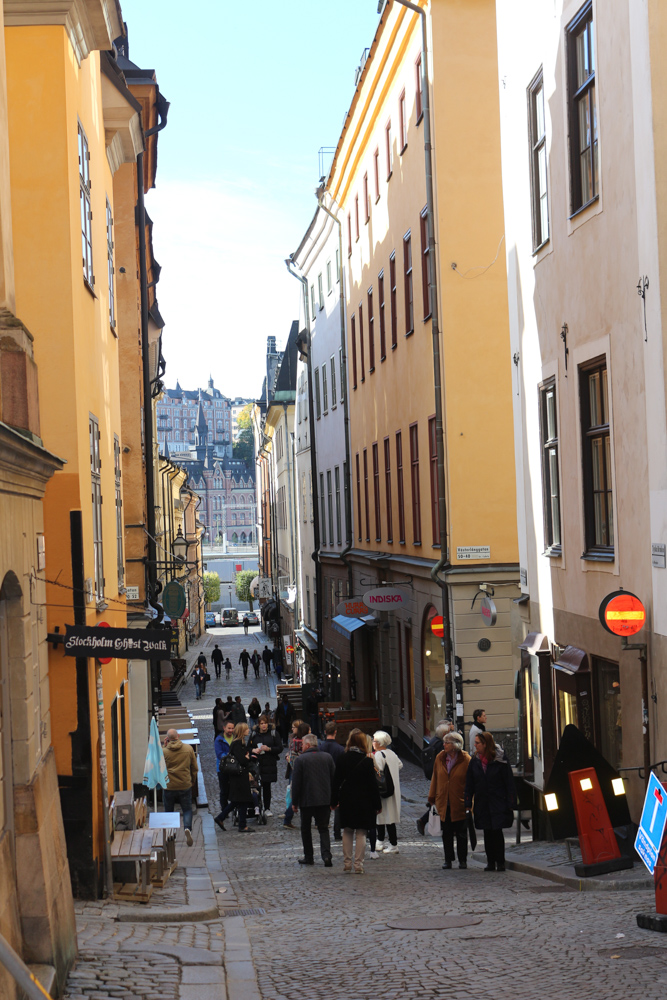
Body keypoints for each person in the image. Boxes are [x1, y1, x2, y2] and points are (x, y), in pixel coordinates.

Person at [332, 728, 382, 874]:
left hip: (346, 798)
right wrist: (377, 804)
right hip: (363, 800)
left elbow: (336, 782)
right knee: (361, 832)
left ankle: (347, 862)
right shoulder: (367, 761)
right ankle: (358, 864)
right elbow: (373, 785)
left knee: (347, 830)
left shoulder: (342, 758)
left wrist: (333, 800)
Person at [465, 731, 516, 872]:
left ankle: (500, 862)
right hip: (482, 802)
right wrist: (468, 803)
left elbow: (509, 782)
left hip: (498, 801)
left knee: (497, 832)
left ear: (486, 744)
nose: (475, 746)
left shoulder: (499, 760)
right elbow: (469, 784)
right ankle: (490, 862)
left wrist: (511, 802)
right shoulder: (475, 761)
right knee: (487, 832)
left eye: (477, 743)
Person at [290, 733, 335, 867]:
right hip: (324, 799)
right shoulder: (327, 757)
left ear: (308, 745)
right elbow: (334, 779)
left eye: (303, 744)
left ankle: (309, 856)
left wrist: (294, 802)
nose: (302, 746)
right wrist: (333, 798)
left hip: (307, 800)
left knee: (306, 829)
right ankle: (326, 856)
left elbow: (296, 783)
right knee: (323, 829)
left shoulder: (300, 760)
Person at [428, 731, 471, 869]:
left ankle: (462, 860)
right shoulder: (440, 757)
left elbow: (470, 782)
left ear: (455, 745)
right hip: (443, 801)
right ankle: (448, 859)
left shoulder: (466, 759)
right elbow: (435, 777)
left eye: (447, 742)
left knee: (461, 833)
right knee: (446, 833)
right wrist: (432, 796)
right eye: (444, 742)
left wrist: (470, 801)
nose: (444, 745)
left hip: (459, 802)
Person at [214, 723, 257, 833]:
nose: (248, 730)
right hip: (238, 777)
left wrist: (249, 754)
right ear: (242, 731)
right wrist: (247, 758)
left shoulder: (241, 743)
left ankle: (235, 822)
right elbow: (242, 760)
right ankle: (238, 823)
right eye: (246, 729)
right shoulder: (237, 743)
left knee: (240, 801)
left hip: (240, 776)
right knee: (239, 800)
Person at [417, 721, 456, 835]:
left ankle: (424, 821)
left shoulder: (434, 740)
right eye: (448, 732)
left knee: (440, 802)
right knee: (442, 802)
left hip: (436, 775)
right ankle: (443, 825)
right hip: (441, 777)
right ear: (444, 733)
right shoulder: (440, 745)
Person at [162, 729, 198, 846]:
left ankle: (171, 834)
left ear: (167, 739)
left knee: (169, 811)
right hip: (184, 784)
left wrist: (164, 746)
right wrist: (192, 781)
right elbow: (194, 767)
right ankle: (187, 828)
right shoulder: (188, 749)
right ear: (178, 736)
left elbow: (160, 767)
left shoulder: (164, 752)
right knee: (187, 809)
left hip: (169, 785)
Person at [371, 731, 403, 854]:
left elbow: (377, 770)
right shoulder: (392, 753)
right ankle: (390, 843)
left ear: (379, 743)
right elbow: (400, 765)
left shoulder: (379, 755)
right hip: (393, 789)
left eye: (374, 740)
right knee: (390, 817)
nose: (373, 743)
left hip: (383, 790)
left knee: (381, 816)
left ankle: (385, 842)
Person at [249, 715, 282, 816]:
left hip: (269, 763)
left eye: (265, 723)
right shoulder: (254, 734)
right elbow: (248, 748)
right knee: (257, 786)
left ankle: (267, 808)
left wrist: (269, 749)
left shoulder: (273, 734)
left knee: (267, 786)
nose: (264, 725)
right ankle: (258, 806)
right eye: (262, 723)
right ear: (259, 725)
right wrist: (253, 750)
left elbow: (279, 748)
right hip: (257, 763)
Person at [319, 722, 344, 840]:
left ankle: (323, 828)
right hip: (336, 781)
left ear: (325, 732)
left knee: (325, 808)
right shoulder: (340, 749)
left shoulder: (320, 748)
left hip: (323, 780)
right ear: (335, 732)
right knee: (337, 808)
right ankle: (337, 832)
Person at [284, 721, 309, 828]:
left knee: (297, 796)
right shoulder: (302, 743)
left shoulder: (294, 741)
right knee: (299, 797)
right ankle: (287, 818)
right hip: (301, 772)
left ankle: (287, 818)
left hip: (296, 771)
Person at [214, 719, 235, 814]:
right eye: (229, 728)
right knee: (224, 790)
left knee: (234, 789)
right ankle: (225, 810)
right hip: (223, 768)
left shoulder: (235, 738)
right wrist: (231, 757)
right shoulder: (219, 739)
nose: (230, 730)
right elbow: (219, 754)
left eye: (232, 728)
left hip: (234, 768)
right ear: (224, 728)